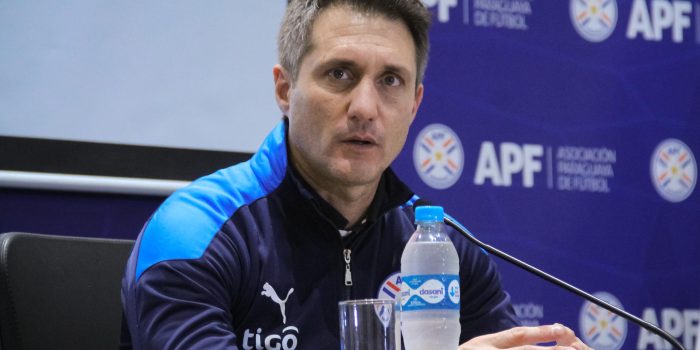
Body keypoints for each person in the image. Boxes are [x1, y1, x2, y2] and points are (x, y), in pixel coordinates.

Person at [121, 1, 590, 349]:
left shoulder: (444, 249)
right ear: (285, 90)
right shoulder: (195, 233)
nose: (365, 108)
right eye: (340, 74)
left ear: (415, 105)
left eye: (390, 81)